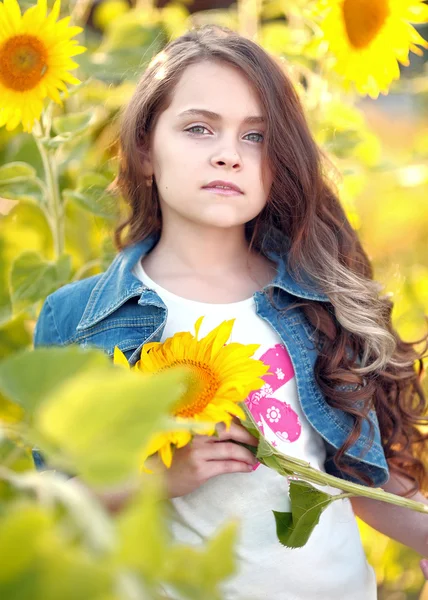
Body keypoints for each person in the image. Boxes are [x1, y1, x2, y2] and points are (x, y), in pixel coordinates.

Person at [32, 24, 428, 600]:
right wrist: (157, 479)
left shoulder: (319, 299)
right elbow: (55, 515)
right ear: (144, 149)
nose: (228, 154)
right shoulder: (79, 320)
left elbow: (358, 474)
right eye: (198, 128)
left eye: (256, 137)